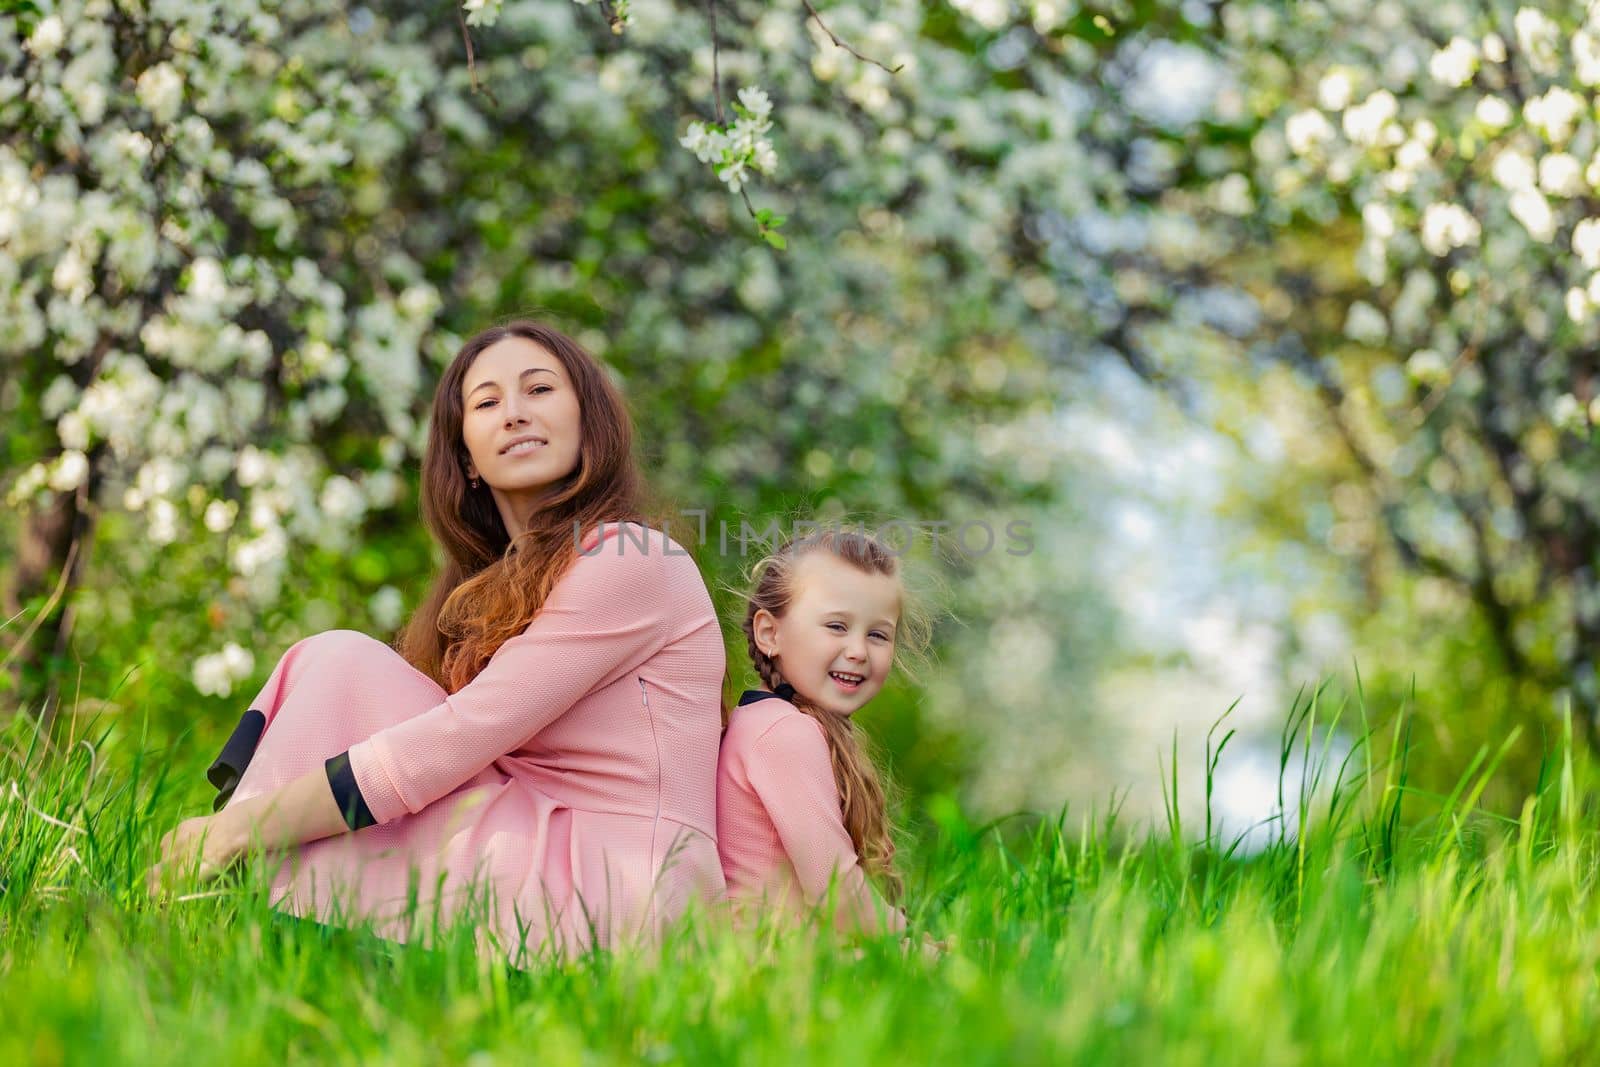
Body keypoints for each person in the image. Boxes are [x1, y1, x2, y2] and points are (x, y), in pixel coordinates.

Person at [146, 321, 727, 967]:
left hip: (624, 892)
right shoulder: (494, 587)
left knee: (345, 663)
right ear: (467, 458)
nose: (515, 413)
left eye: (539, 389)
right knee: (336, 667)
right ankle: (237, 916)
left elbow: (462, 734)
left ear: (590, 422)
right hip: (549, 852)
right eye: (486, 402)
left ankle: (221, 893)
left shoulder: (631, 558)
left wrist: (238, 827)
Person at [716, 527, 942, 953]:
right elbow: (835, 890)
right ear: (770, 633)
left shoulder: (762, 720)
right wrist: (909, 943)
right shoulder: (784, 733)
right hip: (775, 964)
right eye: (836, 625)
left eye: (878, 634)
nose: (858, 650)